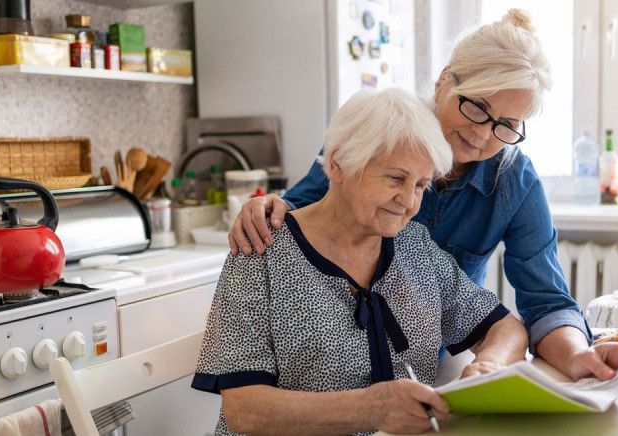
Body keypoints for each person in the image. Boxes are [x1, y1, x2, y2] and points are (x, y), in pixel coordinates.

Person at [227, 9, 618, 382]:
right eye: (477, 107)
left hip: (431, 363)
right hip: (333, 365)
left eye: (506, 124)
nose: (481, 134)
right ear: (445, 80)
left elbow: (545, 302)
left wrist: (579, 355)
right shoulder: (377, 134)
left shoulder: (515, 182)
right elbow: (299, 213)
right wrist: (266, 207)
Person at [192, 88, 530, 435]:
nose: (407, 201)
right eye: (395, 178)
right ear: (338, 162)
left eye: (420, 185)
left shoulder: (416, 248)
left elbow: (506, 328)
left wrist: (489, 365)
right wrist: (372, 409)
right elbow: (244, 410)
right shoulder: (261, 249)